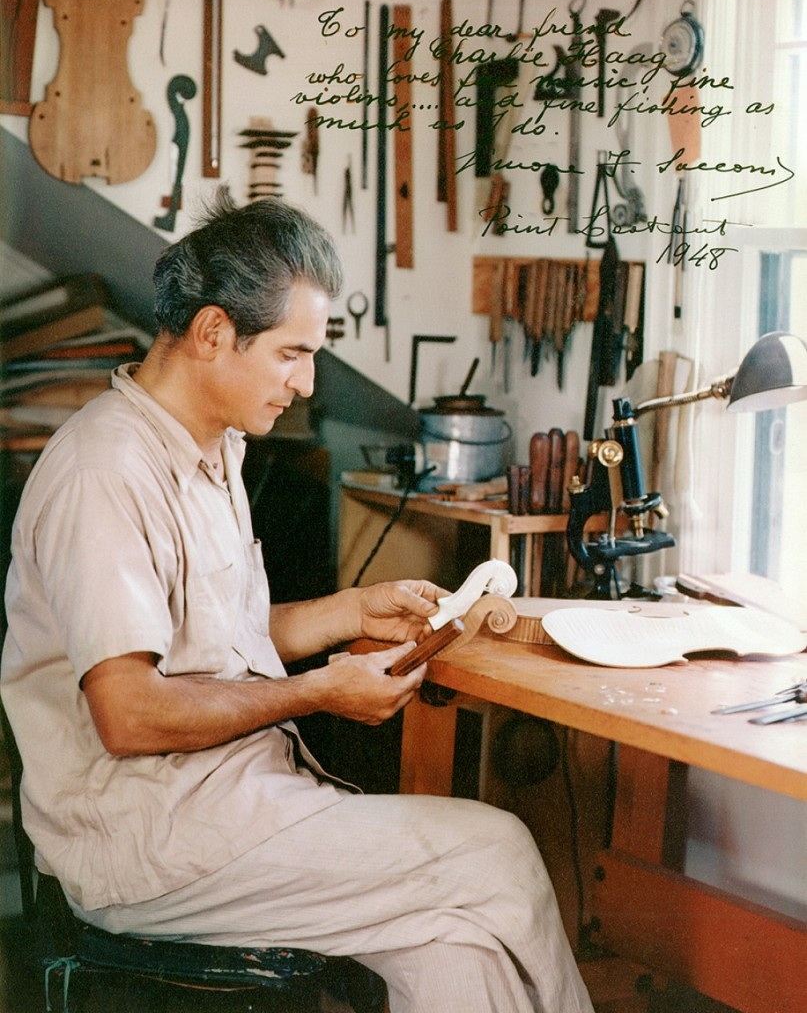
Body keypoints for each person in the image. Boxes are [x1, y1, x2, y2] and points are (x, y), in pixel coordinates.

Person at [1, 189, 594, 1013]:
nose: (308, 383)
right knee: (496, 849)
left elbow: (213, 643)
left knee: (453, 944)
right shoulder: (105, 470)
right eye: (291, 354)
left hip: (234, 802)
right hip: (148, 843)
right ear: (214, 332)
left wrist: (350, 611)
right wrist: (318, 691)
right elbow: (129, 713)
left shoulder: (212, 448)